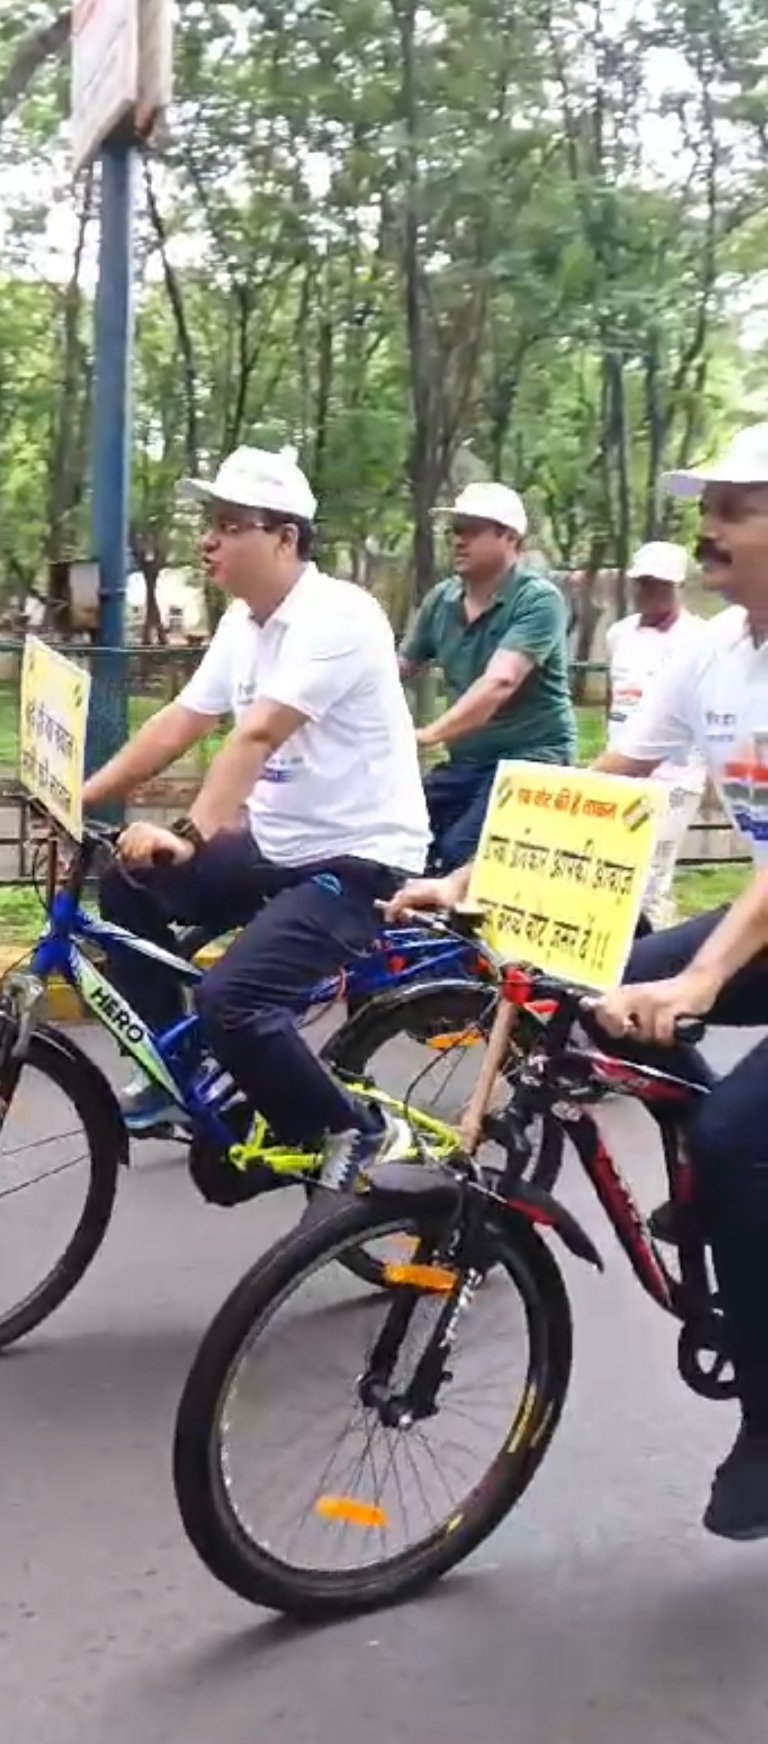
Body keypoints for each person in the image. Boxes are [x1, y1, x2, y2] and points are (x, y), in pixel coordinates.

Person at [384, 423, 768, 1540]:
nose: (708, 530)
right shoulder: (717, 650)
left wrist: (700, 980)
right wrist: (470, 878)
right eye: (708, 507)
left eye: (736, 508)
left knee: (739, 1134)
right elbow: (610, 778)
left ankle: (767, 1418)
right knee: (598, 993)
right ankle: (723, 1194)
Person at [82, 444, 431, 1181]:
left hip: (359, 858)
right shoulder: (244, 624)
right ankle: (178, 1071)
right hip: (277, 843)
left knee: (232, 1000)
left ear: (285, 537)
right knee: (125, 883)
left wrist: (188, 834)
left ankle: (357, 1131)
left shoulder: (340, 616)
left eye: (230, 525)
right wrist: (75, 795)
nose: (209, 540)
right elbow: (181, 721)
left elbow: (258, 732)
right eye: (209, 524)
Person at [400, 482, 576, 874]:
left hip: (533, 760)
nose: (458, 540)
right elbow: (397, 669)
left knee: (461, 851)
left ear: (510, 537)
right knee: (404, 833)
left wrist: (427, 735)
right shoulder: (441, 600)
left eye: (472, 530)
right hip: (468, 762)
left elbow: (499, 682)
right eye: (455, 530)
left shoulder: (537, 599)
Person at [606, 541, 706, 926]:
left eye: (660, 584)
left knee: (652, 874)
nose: (650, 591)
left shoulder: (700, 638)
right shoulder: (619, 634)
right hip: (623, 766)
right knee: (618, 866)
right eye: (644, 582)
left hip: (675, 774)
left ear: (678, 586)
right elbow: (614, 696)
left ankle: (658, 940)